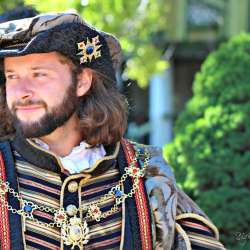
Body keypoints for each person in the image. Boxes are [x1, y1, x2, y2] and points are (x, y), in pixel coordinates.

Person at [0, 12, 225, 250]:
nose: (21, 91)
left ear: (82, 82)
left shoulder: (147, 173)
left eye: (38, 75)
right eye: (12, 76)